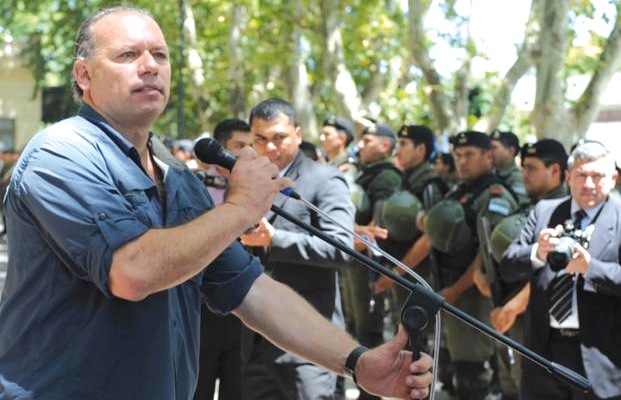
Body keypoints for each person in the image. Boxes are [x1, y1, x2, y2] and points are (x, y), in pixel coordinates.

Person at [0, 7, 433, 400]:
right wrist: (240, 208)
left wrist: (359, 363)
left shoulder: (175, 176)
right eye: (128, 55)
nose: (150, 66)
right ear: (84, 75)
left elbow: (253, 291)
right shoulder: (61, 153)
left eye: (160, 55)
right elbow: (132, 272)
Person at [238, 98, 354, 400]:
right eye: (260, 139)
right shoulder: (246, 183)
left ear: (298, 134)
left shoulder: (324, 179)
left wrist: (275, 240)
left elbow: (342, 248)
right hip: (254, 341)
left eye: (279, 137)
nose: (270, 147)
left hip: (308, 345)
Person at [502, 141, 621, 400]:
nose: (588, 184)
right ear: (568, 177)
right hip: (543, 353)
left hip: (601, 356)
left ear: (613, 179)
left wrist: (591, 268)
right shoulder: (545, 211)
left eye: (597, 176)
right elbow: (508, 265)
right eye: (581, 175)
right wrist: (537, 252)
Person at [424, 131, 519, 400]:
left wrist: (454, 291)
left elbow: (485, 254)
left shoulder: (495, 195)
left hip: (474, 295)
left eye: (469, 154)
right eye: (458, 155)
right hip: (452, 288)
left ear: (488, 156)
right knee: (459, 367)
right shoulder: (460, 190)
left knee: (473, 371)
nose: (462, 161)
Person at [480, 139, 568, 400]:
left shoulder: (565, 211)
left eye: (531, 168)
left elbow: (558, 271)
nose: (524, 174)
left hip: (536, 317)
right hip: (509, 310)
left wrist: (512, 307)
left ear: (555, 170)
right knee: (511, 388)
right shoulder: (531, 205)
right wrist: (480, 273)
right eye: (523, 167)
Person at [193, 118, 253, 400]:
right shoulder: (194, 187)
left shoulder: (258, 191)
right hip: (202, 306)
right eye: (239, 146)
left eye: (251, 145)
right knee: (199, 386)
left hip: (246, 306)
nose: (247, 153)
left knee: (238, 387)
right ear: (219, 149)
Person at [489, 130, 529, 207]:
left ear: (511, 151)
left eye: (494, 148)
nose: (489, 152)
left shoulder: (517, 178)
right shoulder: (490, 173)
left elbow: (521, 208)